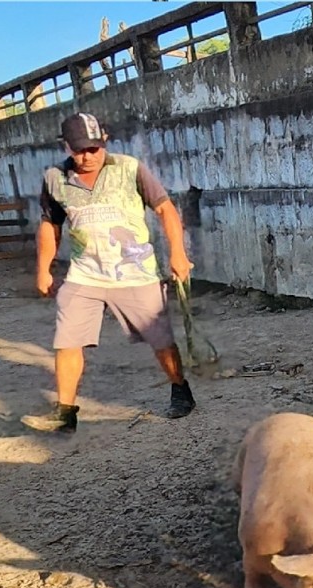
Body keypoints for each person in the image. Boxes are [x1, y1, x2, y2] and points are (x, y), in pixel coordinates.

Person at [21, 112, 197, 433]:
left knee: (160, 339)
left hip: (135, 271)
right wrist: (43, 269)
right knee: (67, 340)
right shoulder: (54, 178)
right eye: (79, 150)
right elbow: (50, 225)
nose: (87, 157)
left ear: (104, 141)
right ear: (66, 146)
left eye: (94, 148)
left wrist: (178, 253)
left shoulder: (129, 169)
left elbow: (164, 209)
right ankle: (65, 412)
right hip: (84, 273)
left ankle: (179, 389)